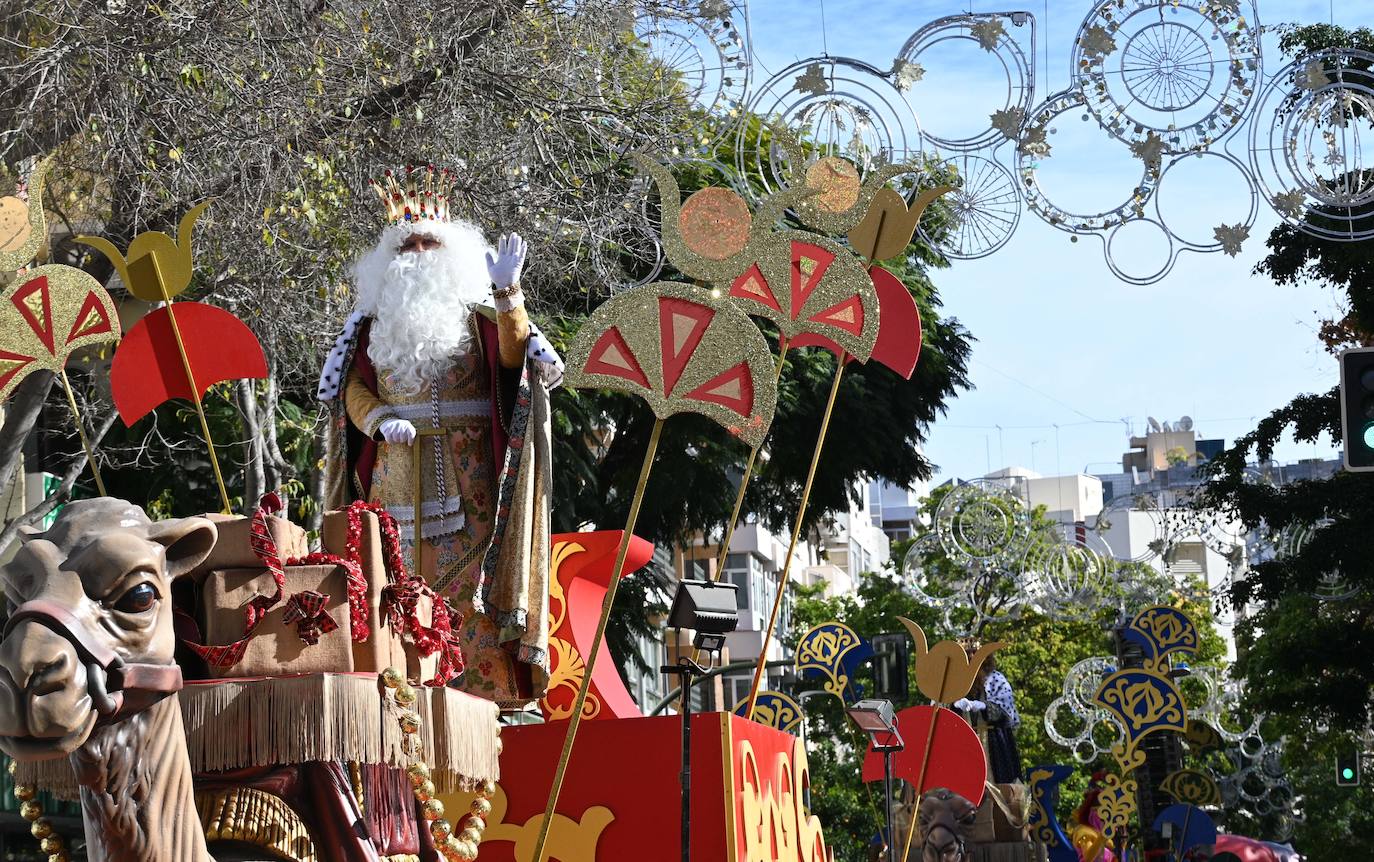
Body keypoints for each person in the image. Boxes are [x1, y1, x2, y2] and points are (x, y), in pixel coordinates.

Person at [317, 165, 562, 706]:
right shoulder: (368, 328)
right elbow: (352, 391)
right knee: (395, 587)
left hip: (471, 478)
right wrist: (379, 419)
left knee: (469, 588)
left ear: (450, 251)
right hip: (394, 477)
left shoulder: (480, 315)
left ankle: (484, 704)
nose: (418, 253)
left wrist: (508, 293)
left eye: (430, 242)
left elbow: (514, 360)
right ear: (389, 259)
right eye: (408, 245)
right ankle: (399, 697)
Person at [952, 642, 1022, 784]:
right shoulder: (952, 682)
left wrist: (983, 706)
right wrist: (953, 705)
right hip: (962, 742)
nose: (972, 657)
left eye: (975, 653)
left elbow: (1005, 711)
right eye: (967, 654)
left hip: (992, 742)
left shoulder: (996, 679)